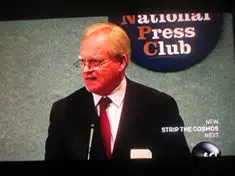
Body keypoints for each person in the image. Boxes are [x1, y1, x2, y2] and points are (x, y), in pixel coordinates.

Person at [45, 22, 190, 160]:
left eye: (95, 62)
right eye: (83, 62)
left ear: (121, 62)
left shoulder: (160, 106)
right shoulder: (63, 110)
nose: (86, 70)